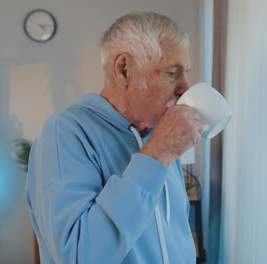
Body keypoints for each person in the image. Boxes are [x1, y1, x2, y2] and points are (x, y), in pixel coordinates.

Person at [25, 11, 204, 264]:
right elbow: (78, 256)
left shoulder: (159, 133)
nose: (185, 87)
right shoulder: (65, 132)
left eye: (185, 72)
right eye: (172, 73)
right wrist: (159, 151)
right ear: (124, 70)